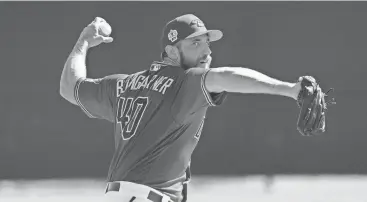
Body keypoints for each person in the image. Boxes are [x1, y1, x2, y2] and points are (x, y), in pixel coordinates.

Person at [59, 14, 302, 202]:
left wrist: (84, 42)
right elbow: (226, 76)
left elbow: (70, 88)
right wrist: (289, 89)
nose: (207, 52)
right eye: (196, 43)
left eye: (207, 43)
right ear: (171, 51)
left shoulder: (122, 85)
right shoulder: (183, 82)